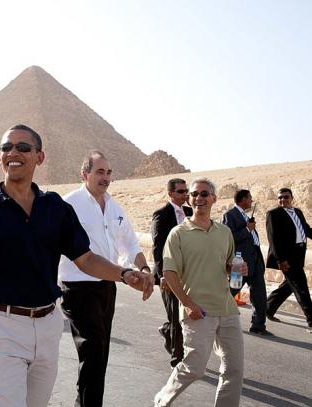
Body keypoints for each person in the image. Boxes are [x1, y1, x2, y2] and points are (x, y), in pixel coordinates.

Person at [0, 124, 153, 407]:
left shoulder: (55, 208)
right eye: (6, 148)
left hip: (47, 325)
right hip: (0, 326)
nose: (12, 153)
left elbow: (86, 258)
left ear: (39, 157)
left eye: (22, 147)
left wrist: (125, 274)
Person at [58, 150, 153, 406]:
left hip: (107, 286)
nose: (106, 177)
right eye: (100, 171)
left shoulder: (114, 206)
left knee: (99, 354)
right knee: (93, 352)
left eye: (109, 172)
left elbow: (130, 243)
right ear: (84, 174)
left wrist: (144, 270)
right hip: (78, 288)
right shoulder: (69, 205)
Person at [154, 177, 247, 407]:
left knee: (234, 369)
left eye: (204, 194)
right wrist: (187, 303)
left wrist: (237, 267)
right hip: (198, 310)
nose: (199, 198)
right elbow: (170, 272)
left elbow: (227, 265)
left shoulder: (224, 232)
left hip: (227, 309)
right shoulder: (178, 233)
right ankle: (161, 401)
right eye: (194, 194)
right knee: (194, 368)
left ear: (214, 199)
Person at [151, 178, 193, 367]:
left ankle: (168, 331)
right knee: (175, 315)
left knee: (185, 314)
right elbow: (157, 247)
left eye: (186, 191)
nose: (185, 195)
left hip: (189, 272)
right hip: (169, 272)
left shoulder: (191, 213)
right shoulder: (161, 215)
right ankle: (178, 357)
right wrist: (162, 275)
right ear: (170, 194)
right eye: (181, 192)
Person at [222, 189, 272, 336]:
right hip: (240, 260)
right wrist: (247, 229)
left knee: (259, 293)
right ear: (243, 199)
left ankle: (258, 326)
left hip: (255, 259)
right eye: (249, 198)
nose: (251, 200)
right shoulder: (229, 215)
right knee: (231, 291)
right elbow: (228, 237)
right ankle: (213, 314)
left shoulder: (245, 215)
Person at [265, 188, 312, 329]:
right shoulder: (273, 214)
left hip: (299, 255)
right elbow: (273, 239)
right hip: (286, 258)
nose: (282, 200)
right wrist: (281, 260)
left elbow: (306, 229)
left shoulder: (298, 212)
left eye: (286, 197)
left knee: (288, 287)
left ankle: (267, 308)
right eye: (280, 198)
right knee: (301, 288)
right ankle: (311, 320)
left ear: (292, 198)